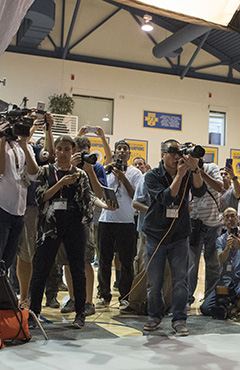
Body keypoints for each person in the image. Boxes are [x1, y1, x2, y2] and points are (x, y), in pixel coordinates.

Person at [28, 136, 105, 329]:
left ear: (73, 152)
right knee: (41, 269)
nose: (63, 153)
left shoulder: (80, 174)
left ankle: (80, 314)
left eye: (67, 149)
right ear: (55, 151)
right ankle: (33, 313)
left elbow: (90, 197)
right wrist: (61, 184)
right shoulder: (45, 171)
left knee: (78, 269)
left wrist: (105, 206)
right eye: (60, 149)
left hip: (75, 224)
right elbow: (40, 198)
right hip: (50, 225)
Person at [140, 139, 206, 335]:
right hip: (156, 235)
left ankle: (179, 319)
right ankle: (154, 315)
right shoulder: (152, 176)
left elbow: (200, 191)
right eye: (172, 152)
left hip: (179, 235)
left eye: (180, 152)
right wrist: (179, 175)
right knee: (155, 282)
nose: (177, 156)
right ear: (162, 154)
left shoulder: (186, 173)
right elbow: (167, 197)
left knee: (180, 281)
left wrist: (195, 169)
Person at [0, 114, 39, 280]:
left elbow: (34, 173)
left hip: (19, 211)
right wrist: (2, 141)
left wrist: (25, 146)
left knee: (6, 262)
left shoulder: (23, 146)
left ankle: (1, 294)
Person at [96, 139, 142, 309]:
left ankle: (125, 296)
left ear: (129, 153)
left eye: (125, 149)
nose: (122, 151)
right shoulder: (106, 171)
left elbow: (136, 196)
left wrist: (123, 178)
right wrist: (106, 171)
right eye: (119, 148)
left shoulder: (135, 173)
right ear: (114, 153)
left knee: (126, 262)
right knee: (104, 261)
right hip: (106, 220)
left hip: (126, 222)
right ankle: (104, 295)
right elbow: (98, 192)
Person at [16, 114, 55, 309]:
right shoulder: (3, 144)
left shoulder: (32, 148)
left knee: (27, 252)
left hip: (30, 205)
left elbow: (49, 155)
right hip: (6, 204)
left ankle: (24, 297)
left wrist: (48, 128)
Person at [187, 143, 225, 307]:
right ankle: (187, 299)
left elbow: (220, 187)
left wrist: (200, 171)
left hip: (213, 224)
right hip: (194, 223)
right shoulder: (184, 170)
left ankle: (210, 299)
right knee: (191, 265)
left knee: (213, 264)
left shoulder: (212, 167)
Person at [200, 207, 240, 318]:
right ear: (223, 220)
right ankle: (234, 305)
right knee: (205, 308)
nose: (230, 219)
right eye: (227, 217)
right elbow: (220, 259)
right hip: (226, 281)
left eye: (233, 216)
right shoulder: (220, 240)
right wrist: (227, 248)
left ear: (237, 218)